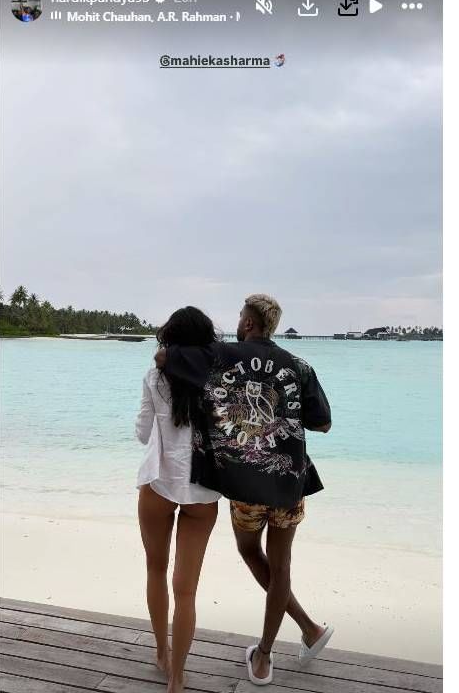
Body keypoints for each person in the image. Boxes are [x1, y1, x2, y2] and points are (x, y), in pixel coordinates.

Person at [155, 294, 334, 687]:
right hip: (290, 481)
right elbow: (323, 423)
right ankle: (269, 653)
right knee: (281, 566)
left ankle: (307, 629)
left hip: (246, 484)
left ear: (249, 323)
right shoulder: (299, 366)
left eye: (240, 316)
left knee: (250, 551)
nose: (237, 323)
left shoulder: (221, 356)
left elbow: (164, 358)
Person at [135, 306, 222, 693]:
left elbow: (143, 433)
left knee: (156, 570)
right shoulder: (218, 379)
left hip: (158, 482)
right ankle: (178, 677)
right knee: (186, 590)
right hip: (201, 491)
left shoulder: (155, 376)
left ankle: (161, 653)